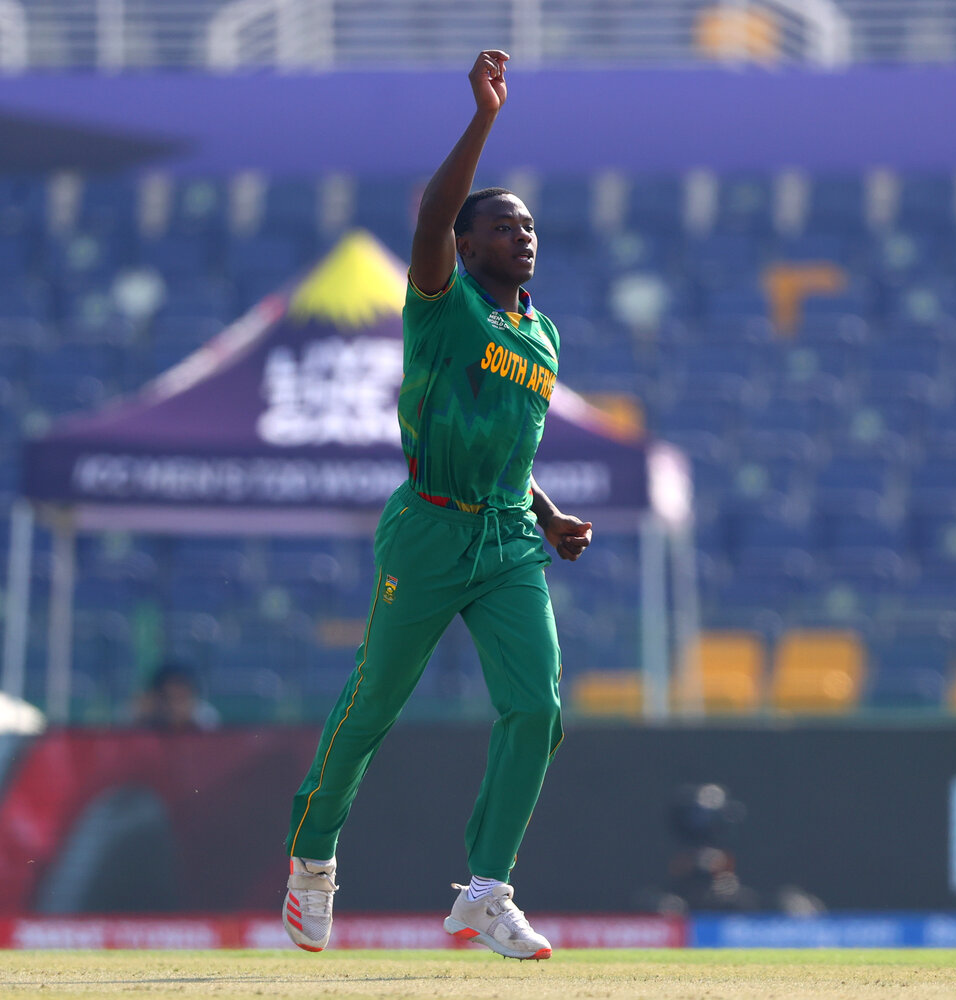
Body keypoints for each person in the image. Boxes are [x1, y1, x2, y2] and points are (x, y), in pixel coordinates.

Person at [282, 49, 592, 961]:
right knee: (375, 702)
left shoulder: (542, 333)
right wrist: (485, 118)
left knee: (536, 708)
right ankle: (311, 860)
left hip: (506, 538)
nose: (521, 235)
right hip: (428, 526)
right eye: (500, 225)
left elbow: (509, 439)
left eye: (527, 224)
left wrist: (545, 513)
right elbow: (429, 216)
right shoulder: (439, 303)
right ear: (465, 244)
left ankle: (486, 892)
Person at [132, 662, 220, 732]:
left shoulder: (204, 714)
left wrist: (187, 721)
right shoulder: (145, 710)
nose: (174, 705)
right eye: (168, 698)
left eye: (180, 697)